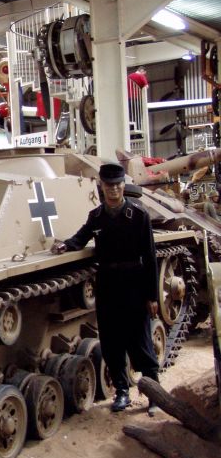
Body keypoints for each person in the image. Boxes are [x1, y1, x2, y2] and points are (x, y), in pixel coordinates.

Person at [50, 163, 160, 416]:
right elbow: (81, 236)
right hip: (109, 284)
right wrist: (66, 245)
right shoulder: (97, 216)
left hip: (134, 283)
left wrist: (152, 296)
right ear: (102, 186)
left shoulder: (138, 215)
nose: (114, 189)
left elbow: (150, 257)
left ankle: (153, 392)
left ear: (123, 186)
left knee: (140, 340)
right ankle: (122, 391)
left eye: (118, 185)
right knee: (112, 341)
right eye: (109, 185)